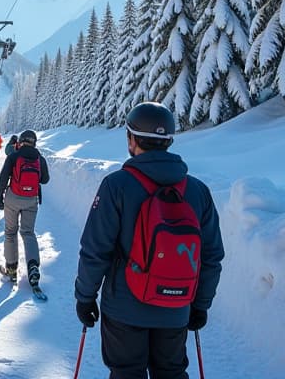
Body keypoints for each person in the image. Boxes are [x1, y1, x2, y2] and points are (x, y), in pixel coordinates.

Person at [74, 102, 225, 379]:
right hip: (176, 306)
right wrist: (200, 304)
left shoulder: (116, 185)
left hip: (124, 308)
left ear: (131, 139)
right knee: (171, 373)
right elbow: (212, 255)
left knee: (126, 373)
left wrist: (85, 297)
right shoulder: (197, 190)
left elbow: (95, 250)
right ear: (168, 141)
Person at [0, 129, 50, 288]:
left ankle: (11, 269)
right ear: (34, 142)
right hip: (31, 200)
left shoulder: (14, 156)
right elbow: (45, 180)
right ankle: (33, 266)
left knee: (10, 232)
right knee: (28, 232)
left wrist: (0, 196)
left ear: (21, 141)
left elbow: (3, 177)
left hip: (13, 198)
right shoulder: (39, 158)